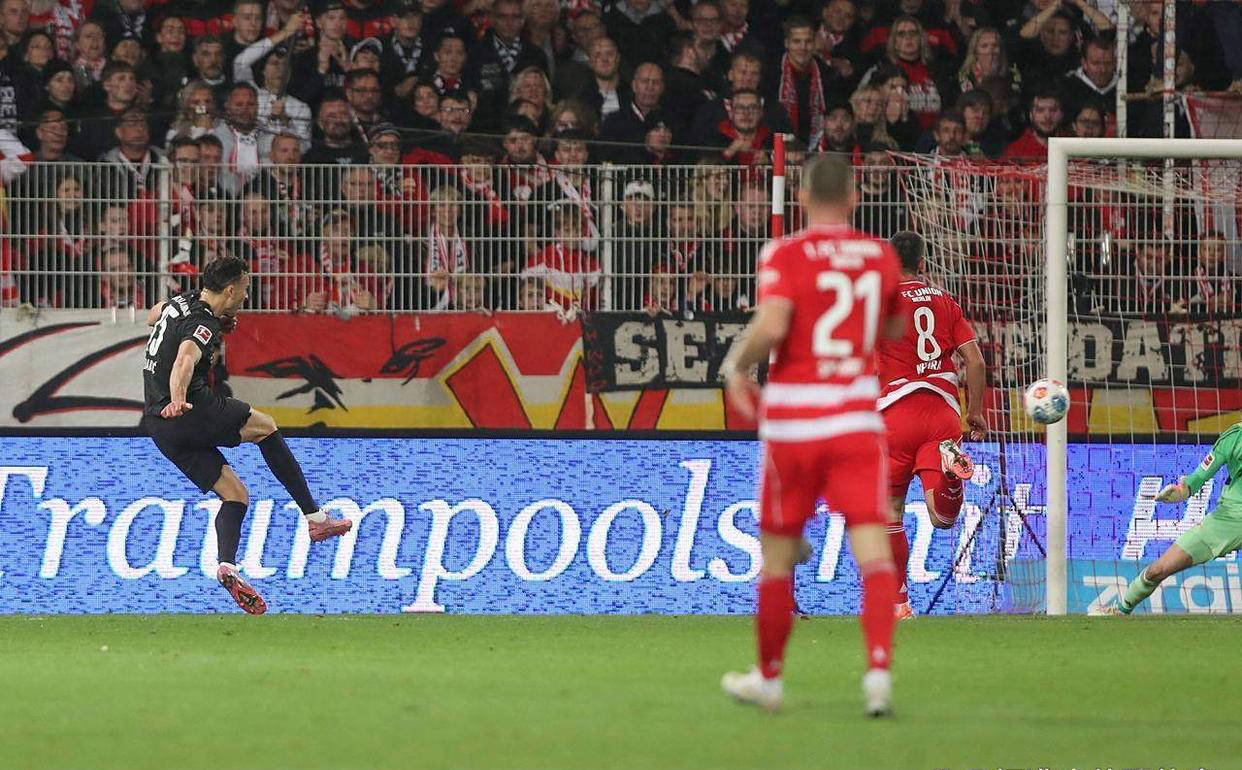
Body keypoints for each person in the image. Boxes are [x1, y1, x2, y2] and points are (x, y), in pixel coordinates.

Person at [719, 154, 903, 717]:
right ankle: (877, 675)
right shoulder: (880, 255)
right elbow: (894, 326)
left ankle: (769, 679)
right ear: (854, 197)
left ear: (800, 197)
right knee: (872, 551)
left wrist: (735, 365)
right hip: (855, 421)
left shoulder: (784, 253)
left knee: (777, 558)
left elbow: (774, 323)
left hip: (795, 423)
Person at [141, 256, 352, 614]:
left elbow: (153, 315)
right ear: (230, 290)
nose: (246, 294)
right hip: (189, 409)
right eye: (245, 288)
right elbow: (184, 361)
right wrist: (178, 398)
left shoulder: (181, 302)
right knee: (266, 427)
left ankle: (227, 566)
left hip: (159, 426)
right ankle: (316, 520)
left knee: (235, 495)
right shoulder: (203, 323)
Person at [876, 231, 988, 620]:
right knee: (943, 519)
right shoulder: (944, 300)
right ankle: (951, 476)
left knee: (889, 511)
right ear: (922, 263)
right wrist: (975, 412)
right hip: (942, 414)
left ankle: (899, 605)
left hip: (896, 414)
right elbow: (975, 362)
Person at [1096, 421, 1242, 615]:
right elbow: (1198, 478)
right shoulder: (1234, 437)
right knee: (1157, 570)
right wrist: (1181, 492)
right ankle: (1122, 609)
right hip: (1230, 519)